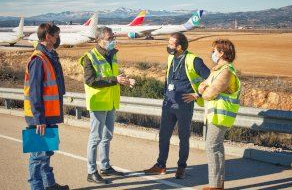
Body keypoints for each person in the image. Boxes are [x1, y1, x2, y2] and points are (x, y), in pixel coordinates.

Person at [144, 32, 210, 179]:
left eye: (170, 44)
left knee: (183, 137)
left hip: (184, 106)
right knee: (163, 136)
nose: (168, 46)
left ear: (179, 46)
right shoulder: (171, 58)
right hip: (168, 104)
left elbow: (211, 79)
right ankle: (160, 165)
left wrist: (198, 94)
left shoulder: (194, 60)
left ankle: (181, 167)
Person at [79, 27, 135, 184]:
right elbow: (91, 81)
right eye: (110, 38)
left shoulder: (112, 54)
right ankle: (91, 171)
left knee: (107, 136)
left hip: (111, 101)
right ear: (99, 40)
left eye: (113, 37)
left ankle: (105, 166)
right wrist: (115, 80)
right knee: (95, 137)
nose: (113, 40)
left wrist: (124, 80)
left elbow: (113, 76)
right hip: (98, 102)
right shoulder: (89, 57)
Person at [24, 23, 69, 190]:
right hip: (40, 117)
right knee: (38, 156)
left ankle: (49, 185)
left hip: (49, 114)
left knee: (47, 152)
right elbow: (34, 92)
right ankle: (37, 187)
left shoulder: (50, 56)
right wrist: (39, 118)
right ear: (48, 37)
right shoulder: (38, 59)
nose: (58, 39)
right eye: (56, 35)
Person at [199, 39, 240, 190]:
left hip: (220, 116)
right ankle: (217, 185)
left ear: (222, 53)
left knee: (212, 147)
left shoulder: (227, 71)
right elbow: (201, 87)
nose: (213, 54)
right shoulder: (217, 70)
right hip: (214, 115)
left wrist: (205, 89)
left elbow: (208, 93)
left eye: (215, 51)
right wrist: (204, 88)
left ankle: (215, 186)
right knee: (216, 148)